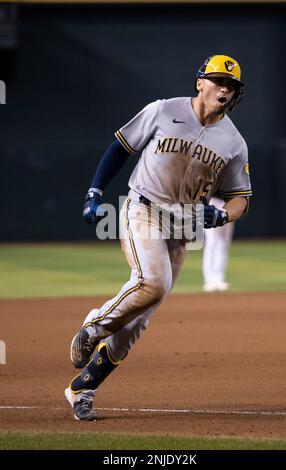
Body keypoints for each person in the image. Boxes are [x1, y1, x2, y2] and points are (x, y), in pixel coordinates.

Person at [65, 54, 252, 420]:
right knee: (153, 282)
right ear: (200, 82)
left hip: (183, 227)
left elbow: (241, 198)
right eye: (218, 81)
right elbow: (120, 147)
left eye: (231, 86)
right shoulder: (163, 111)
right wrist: (94, 192)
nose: (225, 89)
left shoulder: (234, 142)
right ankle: (94, 326)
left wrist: (222, 214)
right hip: (143, 209)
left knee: (139, 319)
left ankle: (82, 388)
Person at [202, 196, 235, 292]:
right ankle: (209, 279)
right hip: (212, 201)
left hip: (230, 202)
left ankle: (219, 277)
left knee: (224, 242)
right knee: (212, 241)